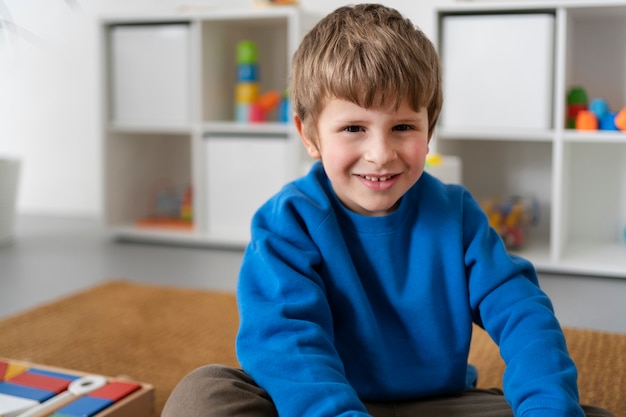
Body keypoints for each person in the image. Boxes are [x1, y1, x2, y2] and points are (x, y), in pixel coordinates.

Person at [162, 4, 616, 417]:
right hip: (323, 403)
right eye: (353, 128)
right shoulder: (286, 223)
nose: (380, 154)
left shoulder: (456, 215)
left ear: (429, 127)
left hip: (438, 405)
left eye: (402, 127)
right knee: (204, 396)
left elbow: (523, 314)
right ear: (309, 134)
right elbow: (285, 343)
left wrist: (547, 408)